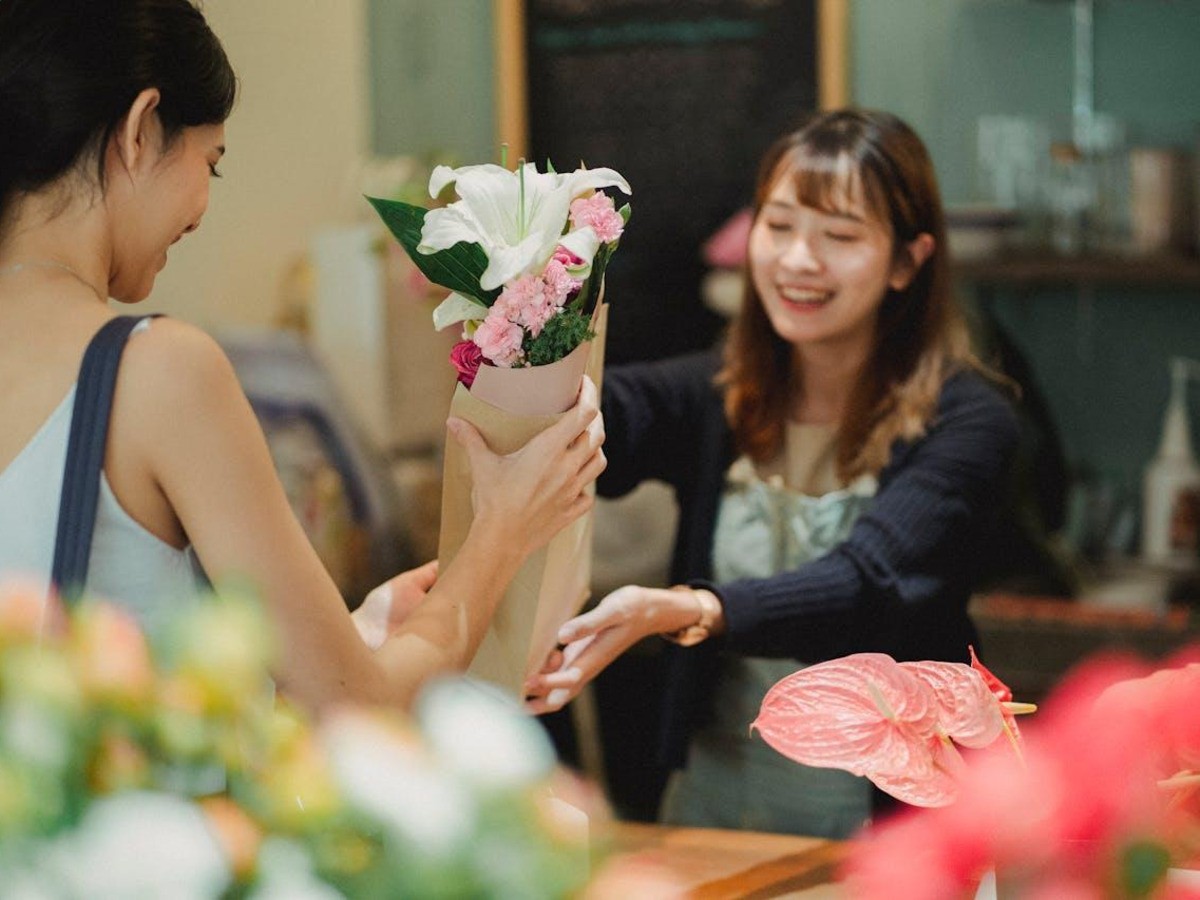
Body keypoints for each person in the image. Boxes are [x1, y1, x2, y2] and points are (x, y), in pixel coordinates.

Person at [0, 0, 605, 714]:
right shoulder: (157, 371)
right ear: (140, 129)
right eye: (211, 164)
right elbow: (357, 712)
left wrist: (345, 640)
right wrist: (503, 531)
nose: (201, 208)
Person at [525, 109, 1019, 838]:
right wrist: (515, 309)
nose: (798, 260)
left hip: (893, 824)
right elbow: (602, 412)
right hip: (714, 802)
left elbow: (867, 584)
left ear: (908, 261)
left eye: (840, 236)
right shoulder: (717, 395)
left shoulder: (970, 421)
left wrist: (691, 610)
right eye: (779, 225)